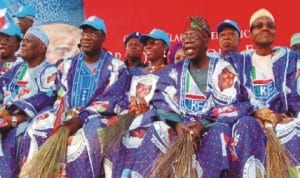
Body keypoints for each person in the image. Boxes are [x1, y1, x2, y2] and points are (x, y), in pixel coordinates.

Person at [19, 16, 130, 177]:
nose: (87, 37)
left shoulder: (116, 67)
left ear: (103, 38)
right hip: (66, 113)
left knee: (87, 139)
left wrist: (81, 117)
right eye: (84, 32)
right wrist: (64, 114)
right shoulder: (68, 65)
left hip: (97, 117)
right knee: (36, 128)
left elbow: (112, 99)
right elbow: (60, 94)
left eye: (93, 33)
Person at [236, 8, 300, 177]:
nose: (265, 28)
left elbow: (296, 93)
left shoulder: (290, 58)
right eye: (259, 25)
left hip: (283, 120)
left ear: (275, 32)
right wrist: (256, 113)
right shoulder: (240, 62)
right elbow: (233, 97)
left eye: (269, 25)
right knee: (245, 127)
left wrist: (289, 115)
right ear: (250, 33)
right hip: (252, 120)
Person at [0, 26, 58, 178]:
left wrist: (15, 116)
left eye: (28, 41)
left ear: (41, 48)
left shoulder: (49, 71)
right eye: (23, 40)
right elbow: (2, 87)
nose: (23, 44)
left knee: (20, 132)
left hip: (30, 119)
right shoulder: (17, 68)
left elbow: (48, 96)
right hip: (5, 116)